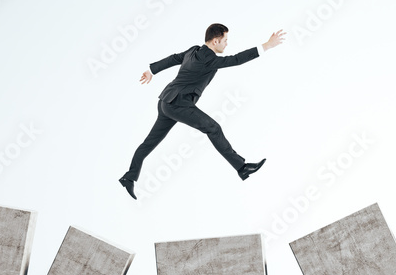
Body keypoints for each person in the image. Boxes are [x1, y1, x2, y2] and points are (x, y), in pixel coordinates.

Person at [119, 23, 285, 199]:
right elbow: (236, 59)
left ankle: (129, 177)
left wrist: (152, 70)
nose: (227, 44)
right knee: (213, 128)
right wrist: (267, 45)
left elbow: (174, 58)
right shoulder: (210, 59)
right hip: (178, 103)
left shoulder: (193, 50)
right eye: (225, 40)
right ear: (215, 41)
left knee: (149, 142)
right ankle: (242, 168)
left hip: (165, 101)